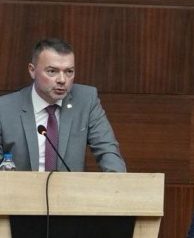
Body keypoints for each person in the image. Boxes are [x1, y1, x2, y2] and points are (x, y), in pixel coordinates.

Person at [0, 38, 125, 172]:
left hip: (70, 185)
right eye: (52, 71)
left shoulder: (86, 100)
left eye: (69, 71)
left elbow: (107, 150)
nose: (62, 80)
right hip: (21, 185)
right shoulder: (5, 108)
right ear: (32, 70)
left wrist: (117, 182)